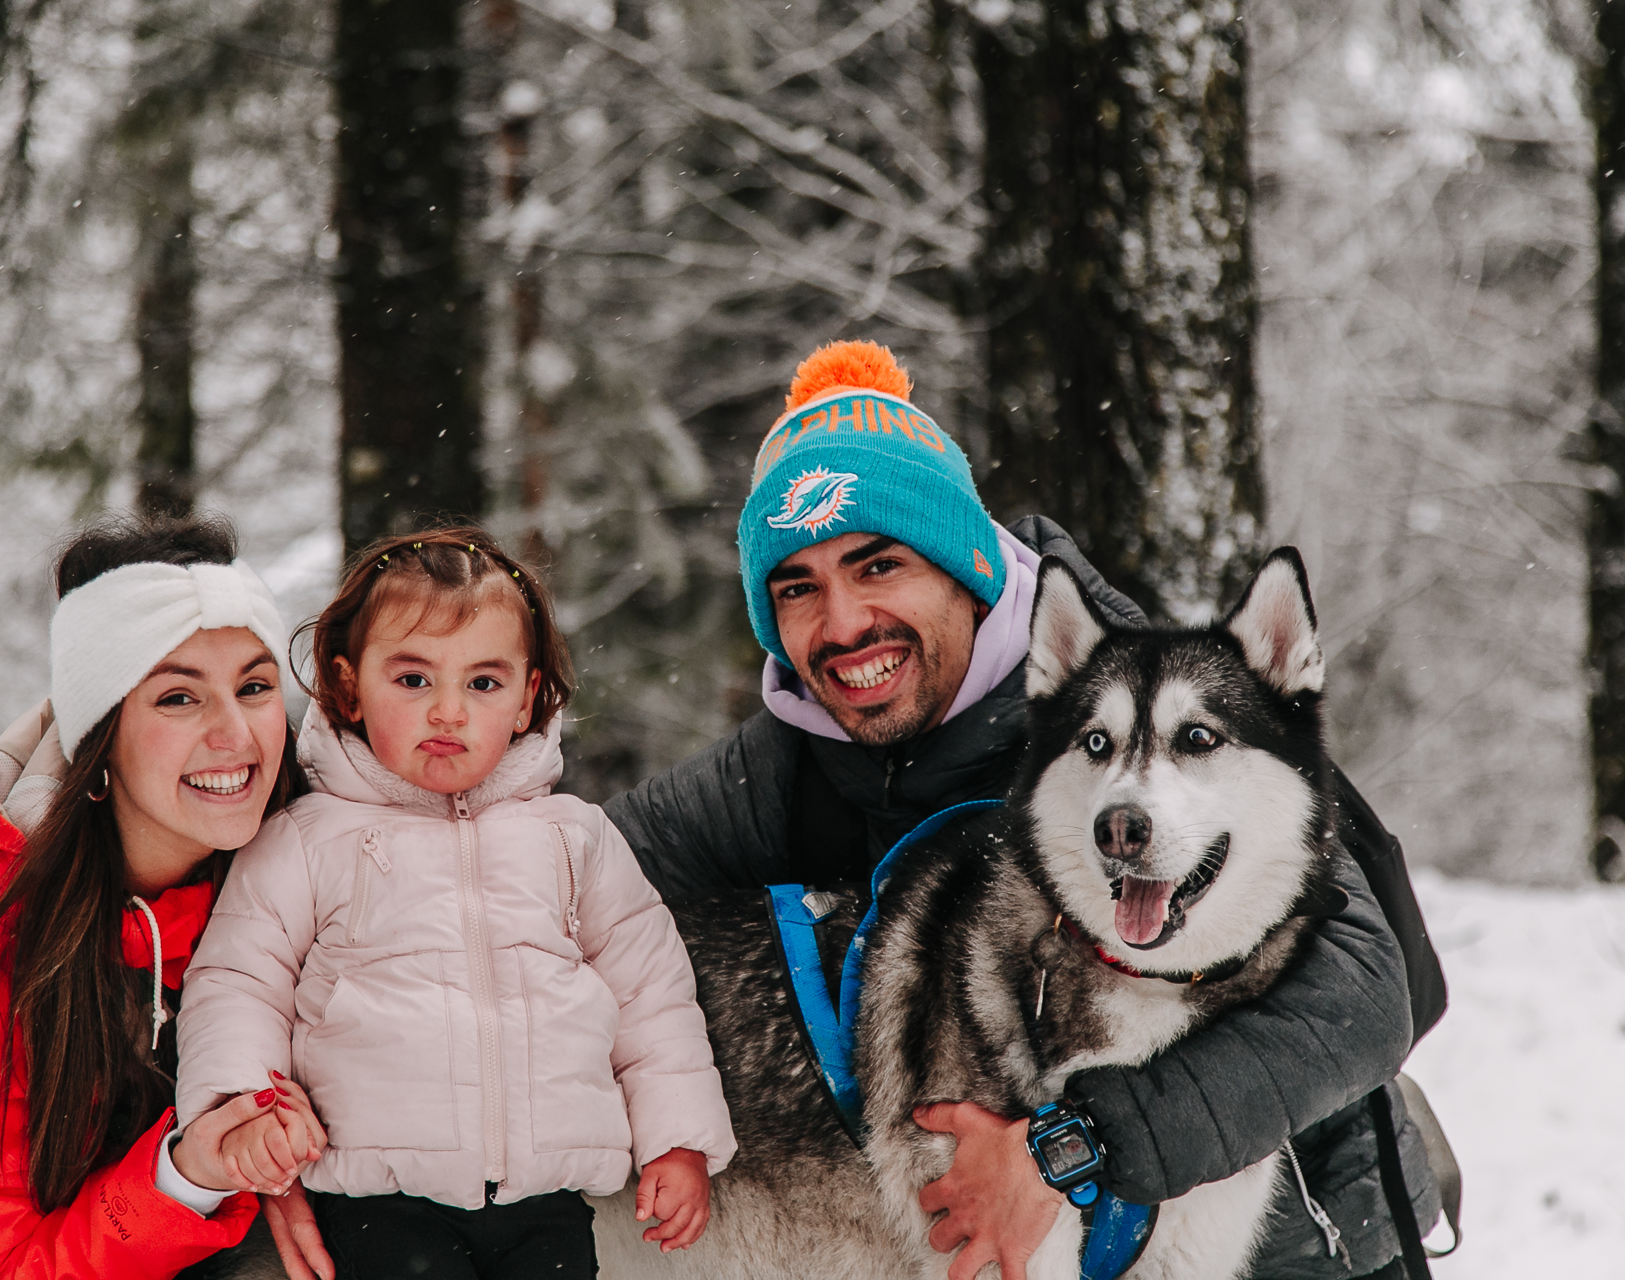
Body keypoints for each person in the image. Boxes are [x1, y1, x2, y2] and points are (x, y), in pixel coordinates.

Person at [605, 342, 1443, 1280]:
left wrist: (1066, 1151)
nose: (842, 626)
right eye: (797, 587)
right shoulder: (779, 767)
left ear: (964, 566)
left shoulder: (1142, 698)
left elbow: (1377, 990)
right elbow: (560, 876)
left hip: (1300, 1220)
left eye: (878, 565)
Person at [174, 527, 737, 1280]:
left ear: (527, 695)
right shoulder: (305, 840)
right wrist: (244, 1106)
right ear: (348, 686)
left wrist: (677, 1138)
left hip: (547, 1202)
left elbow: (651, 994)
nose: (448, 711)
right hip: (382, 1204)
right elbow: (239, 981)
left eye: (483, 683)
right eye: (413, 680)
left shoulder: (575, 837)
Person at [0, 514, 335, 1280]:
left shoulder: (312, 874)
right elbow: (14, 1268)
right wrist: (187, 1176)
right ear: (101, 738)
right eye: (178, 699)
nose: (237, 734)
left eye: (254, 687)